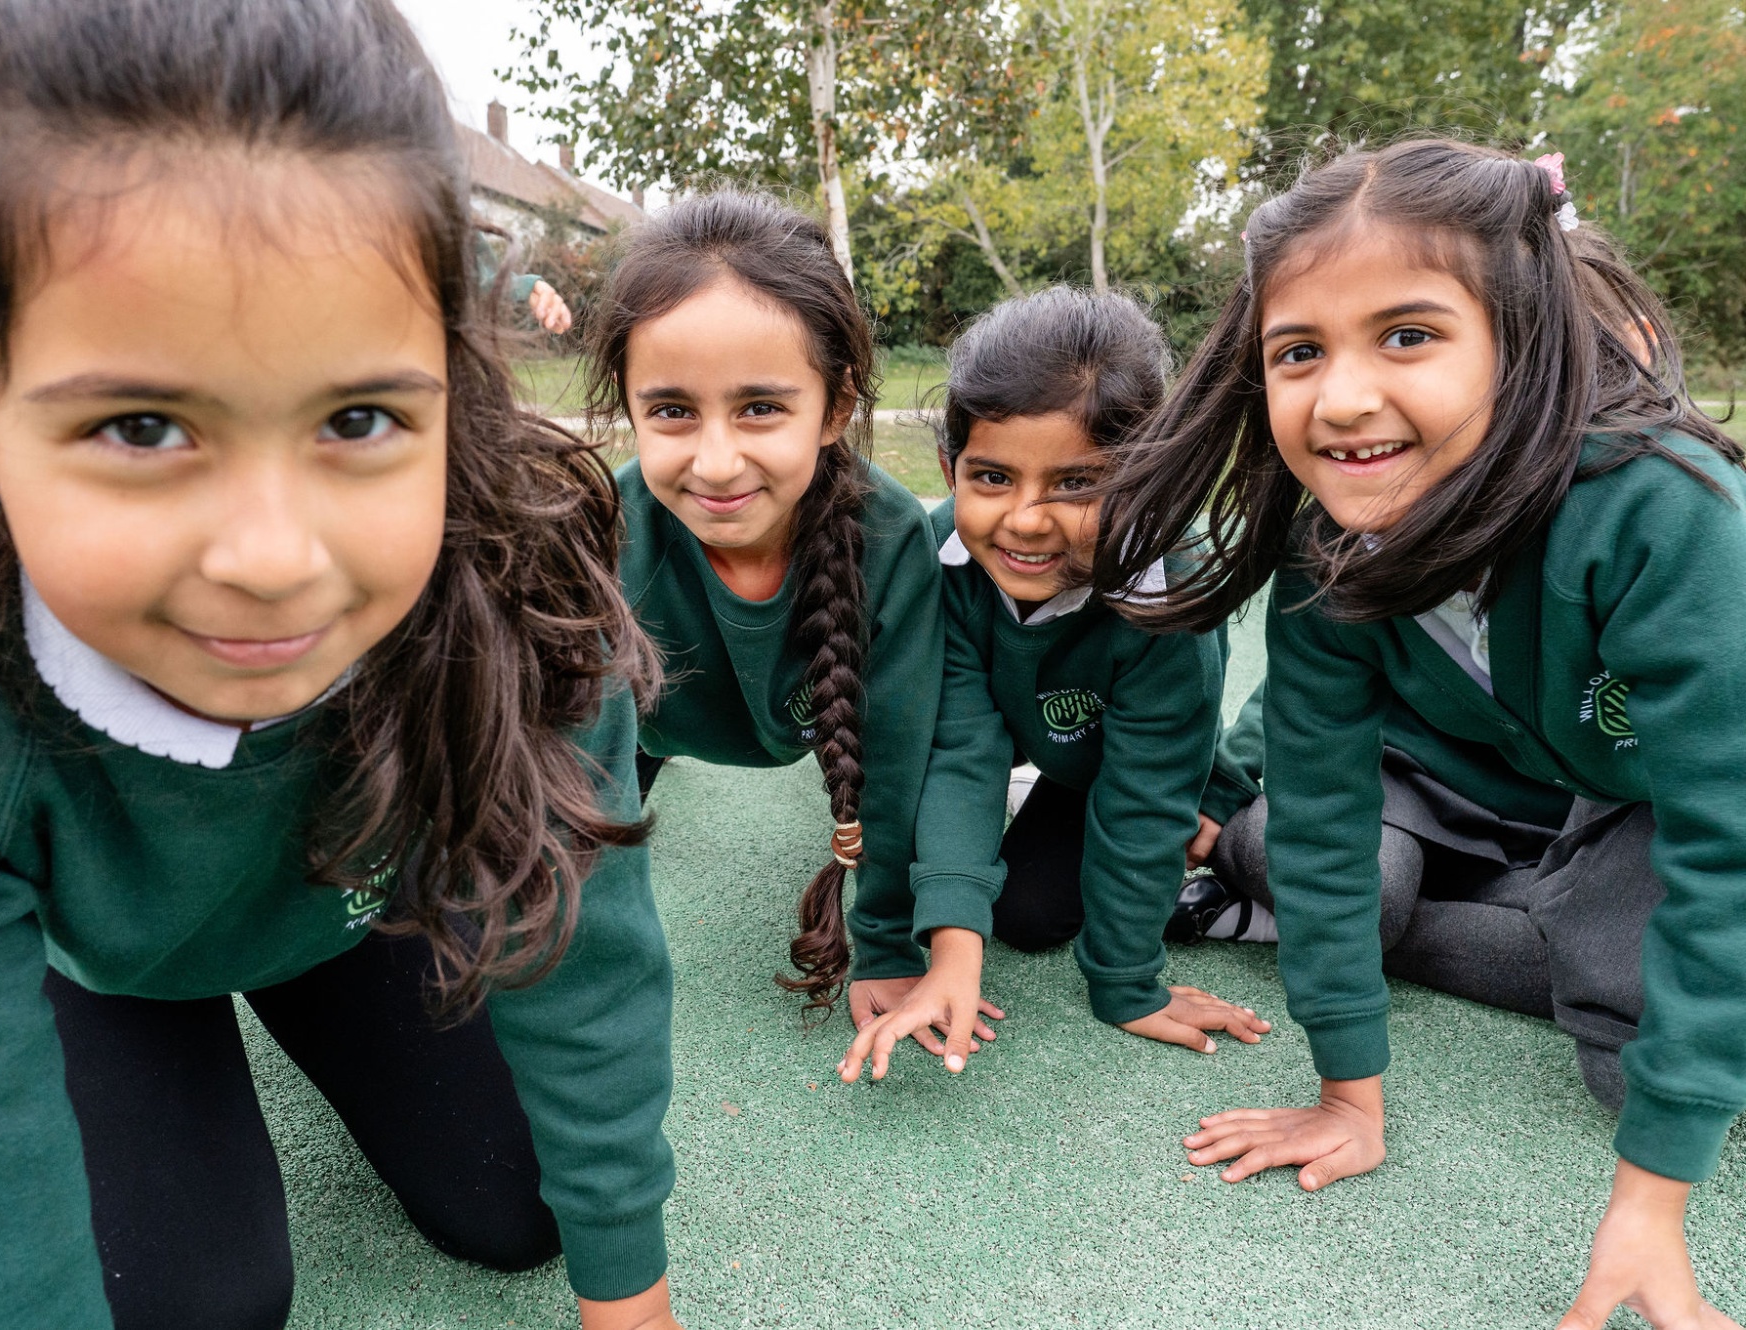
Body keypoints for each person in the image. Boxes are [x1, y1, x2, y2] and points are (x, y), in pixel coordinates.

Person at [0, 2, 683, 1327]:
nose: (271, 558)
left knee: (529, 1199)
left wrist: (631, 1290)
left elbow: (589, 959)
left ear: (449, 382)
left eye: (359, 416)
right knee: (202, 1303)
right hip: (106, 966)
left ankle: (309, 1000)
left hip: (351, 909)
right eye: (141, 425)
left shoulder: (518, 576)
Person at [1091, 138, 1745, 1330]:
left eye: (1405, 334)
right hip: (1442, 786)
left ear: (1523, 337)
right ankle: (1363, 879)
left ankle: (1548, 915)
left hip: (1619, 804)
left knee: (1646, 1048)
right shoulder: (1326, 538)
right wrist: (1348, 1092)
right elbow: (1329, 806)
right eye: (1298, 351)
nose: (1339, 398)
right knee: (1322, 858)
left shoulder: (1665, 513)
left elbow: (1723, 849)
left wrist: (1648, 1201)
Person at [838, 286, 1270, 1082]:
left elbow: (1141, 802)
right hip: (1031, 735)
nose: (1028, 521)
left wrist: (1127, 984)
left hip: (1125, 762)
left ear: (1145, 477)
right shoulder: (942, 560)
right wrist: (948, 955)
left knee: (1034, 914)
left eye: (1077, 484)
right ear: (950, 466)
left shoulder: (1170, 597)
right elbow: (958, 750)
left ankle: (1223, 794)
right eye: (993, 477)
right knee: (971, 879)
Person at [587, 191, 964, 1043]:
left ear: (834, 408)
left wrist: (888, 941)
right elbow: (551, 773)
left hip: (806, 727)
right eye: (673, 410)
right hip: (651, 731)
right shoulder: (596, 529)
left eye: (760, 407)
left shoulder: (890, 535)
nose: (717, 464)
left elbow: (900, 758)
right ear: (629, 403)